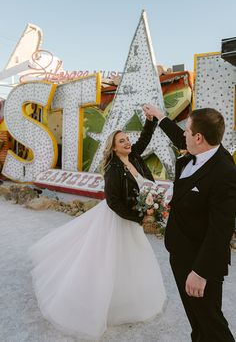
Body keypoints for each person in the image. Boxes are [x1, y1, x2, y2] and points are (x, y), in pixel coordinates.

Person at [29, 114, 166, 340]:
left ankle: (131, 300)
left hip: (133, 218)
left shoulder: (135, 157)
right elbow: (113, 202)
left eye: (127, 139)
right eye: (121, 141)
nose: (127, 143)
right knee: (109, 259)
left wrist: (151, 121)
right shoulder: (113, 169)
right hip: (120, 218)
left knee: (132, 260)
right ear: (113, 148)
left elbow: (144, 139)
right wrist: (138, 217)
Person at [144, 104, 236, 342]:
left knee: (211, 323)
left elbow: (221, 229)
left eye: (187, 130)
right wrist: (159, 116)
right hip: (180, 254)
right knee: (197, 322)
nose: (182, 134)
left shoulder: (224, 171)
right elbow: (179, 138)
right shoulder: (199, 149)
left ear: (198, 137)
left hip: (199, 263)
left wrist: (200, 272)